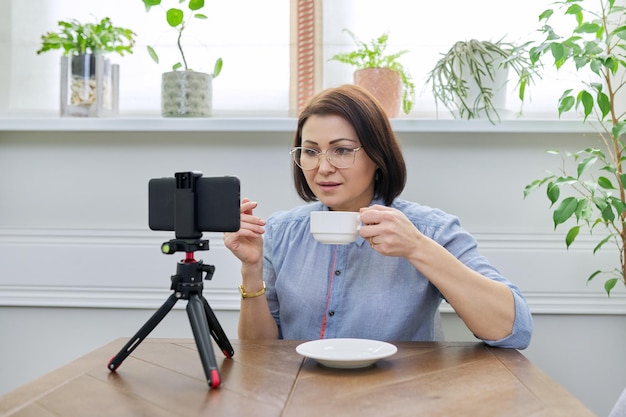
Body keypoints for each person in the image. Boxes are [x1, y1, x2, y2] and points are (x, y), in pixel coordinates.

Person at [224, 84, 532, 349]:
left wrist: (417, 248)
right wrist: (251, 271)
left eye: (342, 150)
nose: (324, 167)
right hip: (302, 396)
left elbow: (513, 331)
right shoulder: (281, 231)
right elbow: (259, 352)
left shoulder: (429, 230)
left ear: (378, 156)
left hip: (399, 398)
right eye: (311, 151)